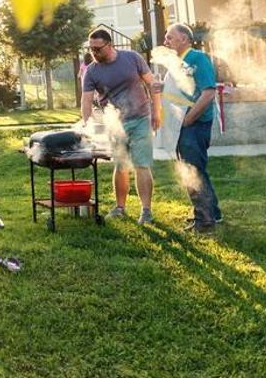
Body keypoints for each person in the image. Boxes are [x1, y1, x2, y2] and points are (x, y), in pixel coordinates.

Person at [80, 28, 162, 225]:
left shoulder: (132, 58)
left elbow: (152, 84)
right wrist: (85, 124)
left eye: (97, 49)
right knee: (121, 165)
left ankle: (146, 211)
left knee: (142, 164)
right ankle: (120, 207)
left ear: (110, 45)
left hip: (141, 117)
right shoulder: (91, 71)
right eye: (91, 49)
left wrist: (157, 111)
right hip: (115, 124)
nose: (94, 53)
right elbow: (86, 100)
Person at [161, 23, 223, 234]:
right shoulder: (176, 62)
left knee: (192, 171)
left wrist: (188, 119)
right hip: (182, 125)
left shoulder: (197, 58)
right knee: (197, 169)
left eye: (170, 37)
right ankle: (213, 213)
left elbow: (208, 93)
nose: (165, 41)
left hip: (193, 125)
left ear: (184, 39)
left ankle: (204, 222)